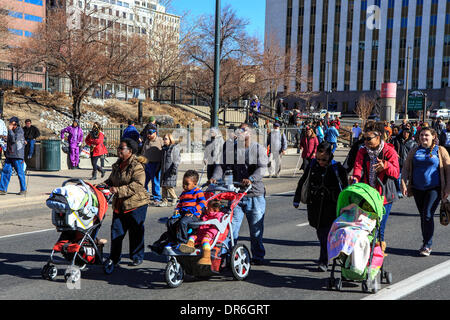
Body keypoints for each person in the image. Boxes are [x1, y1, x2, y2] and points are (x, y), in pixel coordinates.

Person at [210, 123, 268, 265]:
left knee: (255, 231)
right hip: (236, 195)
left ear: (250, 133)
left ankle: (258, 256)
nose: (240, 132)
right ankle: (224, 256)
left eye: (243, 130)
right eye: (238, 130)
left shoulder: (257, 149)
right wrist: (215, 177)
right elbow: (221, 166)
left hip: (254, 195)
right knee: (231, 229)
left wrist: (251, 179)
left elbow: (262, 168)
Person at [293, 142, 348, 271]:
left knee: (326, 235)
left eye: (324, 159)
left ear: (330, 155)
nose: (321, 162)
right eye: (318, 159)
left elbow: (345, 187)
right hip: (315, 207)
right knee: (320, 233)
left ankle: (324, 260)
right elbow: (303, 181)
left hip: (331, 207)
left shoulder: (337, 168)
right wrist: (296, 199)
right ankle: (331, 255)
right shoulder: (312, 165)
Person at [350, 121, 400, 256]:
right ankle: (367, 252)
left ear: (379, 137)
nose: (365, 141)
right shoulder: (362, 151)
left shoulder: (389, 151)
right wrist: (354, 178)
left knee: (379, 227)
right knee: (367, 226)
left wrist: (386, 166)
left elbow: (396, 173)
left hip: (384, 195)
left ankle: (377, 253)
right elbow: (358, 167)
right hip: (368, 195)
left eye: (368, 139)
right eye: (364, 138)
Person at [401, 127, 450, 257]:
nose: (423, 137)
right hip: (417, 188)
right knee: (423, 216)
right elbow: (406, 167)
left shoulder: (440, 150)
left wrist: (447, 188)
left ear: (433, 136)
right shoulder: (415, 150)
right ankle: (425, 242)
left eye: (426, 135)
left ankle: (427, 245)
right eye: (421, 135)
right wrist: (403, 183)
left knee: (428, 214)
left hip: (434, 188)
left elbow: (448, 170)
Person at [103, 138, 150, 268]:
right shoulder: (118, 164)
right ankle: (114, 258)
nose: (118, 150)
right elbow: (111, 180)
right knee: (116, 231)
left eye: (121, 148)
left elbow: (138, 185)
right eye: (119, 147)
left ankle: (137, 256)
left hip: (136, 204)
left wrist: (118, 190)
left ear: (130, 151)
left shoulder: (137, 166)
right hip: (120, 204)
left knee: (136, 232)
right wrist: (101, 186)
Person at [166, 170, 207, 245]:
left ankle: (182, 242)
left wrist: (192, 210)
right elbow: (180, 203)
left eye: (187, 184)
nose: (184, 185)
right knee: (170, 222)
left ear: (195, 184)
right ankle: (172, 240)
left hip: (194, 215)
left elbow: (203, 203)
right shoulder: (184, 193)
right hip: (183, 213)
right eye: (183, 183)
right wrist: (177, 210)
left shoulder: (198, 192)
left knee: (183, 222)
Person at [179, 199, 224, 265]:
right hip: (200, 233)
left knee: (204, 241)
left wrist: (209, 234)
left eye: (208, 208)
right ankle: (189, 246)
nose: (206, 209)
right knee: (192, 237)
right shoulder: (205, 215)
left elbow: (215, 228)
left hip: (208, 235)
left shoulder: (218, 216)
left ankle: (206, 257)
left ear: (215, 209)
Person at [0, 117, 27, 195]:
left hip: (17, 155)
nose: (9, 124)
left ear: (15, 123)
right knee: (5, 171)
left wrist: (10, 130)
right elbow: (10, 139)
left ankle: (23, 189)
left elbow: (14, 140)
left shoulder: (20, 131)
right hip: (10, 154)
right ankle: (2, 189)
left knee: (20, 172)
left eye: (11, 122)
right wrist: (5, 138)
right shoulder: (12, 131)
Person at [141, 125, 164, 205]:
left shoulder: (160, 140)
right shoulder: (146, 141)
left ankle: (157, 197)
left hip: (156, 164)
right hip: (146, 164)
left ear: (155, 133)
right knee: (144, 181)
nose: (148, 135)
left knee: (155, 181)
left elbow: (164, 151)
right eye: (148, 133)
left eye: (150, 133)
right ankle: (145, 196)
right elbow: (143, 152)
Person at [392, 128, 417, 198]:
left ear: (409, 134)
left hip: (408, 163)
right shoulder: (397, 140)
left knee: (407, 178)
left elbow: (416, 152)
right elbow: (391, 148)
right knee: (398, 178)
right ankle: (399, 191)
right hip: (398, 162)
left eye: (407, 133)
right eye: (404, 132)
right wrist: (394, 153)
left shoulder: (413, 143)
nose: (406, 134)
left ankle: (406, 190)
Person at [158, 133, 181, 207]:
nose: (164, 140)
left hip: (170, 170)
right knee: (163, 186)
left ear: (170, 140)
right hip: (164, 170)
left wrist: (174, 169)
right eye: (163, 138)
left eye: (166, 139)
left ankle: (174, 197)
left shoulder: (174, 148)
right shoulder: (164, 148)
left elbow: (176, 160)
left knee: (169, 185)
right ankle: (164, 201)